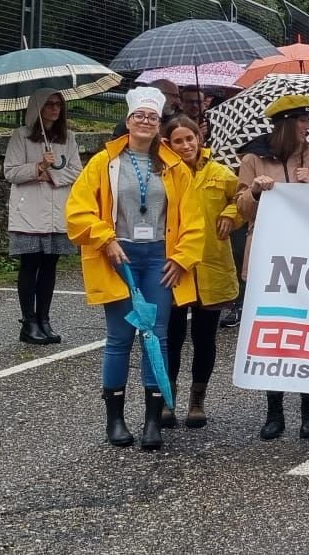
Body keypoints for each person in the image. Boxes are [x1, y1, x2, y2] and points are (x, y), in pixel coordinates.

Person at [65, 87, 206, 450]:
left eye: (151, 117)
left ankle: (151, 422)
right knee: (119, 339)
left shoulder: (175, 168)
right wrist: (105, 239)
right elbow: (79, 211)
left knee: (156, 337)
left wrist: (181, 257)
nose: (144, 122)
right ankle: (115, 421)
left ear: (158, 125)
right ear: (128, 122)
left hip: (158, 259)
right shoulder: (103, 163)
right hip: (119, 257)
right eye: (138, 116)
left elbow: (193, 220)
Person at [234, 94, 309, 441]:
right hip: (266, 257)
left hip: (306, 258)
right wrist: (257, 193)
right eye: (304, 120)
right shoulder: (253, 158)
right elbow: (241, 210)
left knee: (307, 334)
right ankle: (274, 410)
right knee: (272, 334)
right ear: (289, 123)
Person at [161, 116, 241, 429]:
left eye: (190, 138)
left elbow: (242, 198)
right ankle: (168, 398)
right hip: (176, 268)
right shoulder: (163, 174)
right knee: (172, 336)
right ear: (168, 144)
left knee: (205, 337)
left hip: (211, 266)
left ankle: (197, 399)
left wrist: (231, 214)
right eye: (178, 141)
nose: (186, 145)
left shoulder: (220, 173)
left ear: (199, 138)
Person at [3, 90, 82, 345]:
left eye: (58, 104)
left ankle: (44, 319)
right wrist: (39, 167)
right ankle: (29, 322)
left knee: (50, 265)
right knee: (30, 265)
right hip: (30, 211)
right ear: (37, 107)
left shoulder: (67, 138)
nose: (55, 108)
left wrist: (52, 175)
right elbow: (11, 172)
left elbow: (76, 171)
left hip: (57, 210)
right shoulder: (21, 136)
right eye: (49, 104)